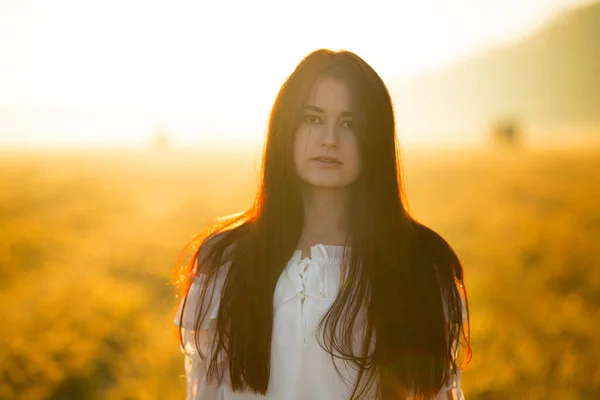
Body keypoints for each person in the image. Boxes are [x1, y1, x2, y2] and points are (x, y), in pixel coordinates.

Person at [173, 48, 471, 400]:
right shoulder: (227, 260)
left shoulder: (419, 265)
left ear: (375, 139)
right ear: (285, 128)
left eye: (349, 124)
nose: (329, 138)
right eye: (313, 118)